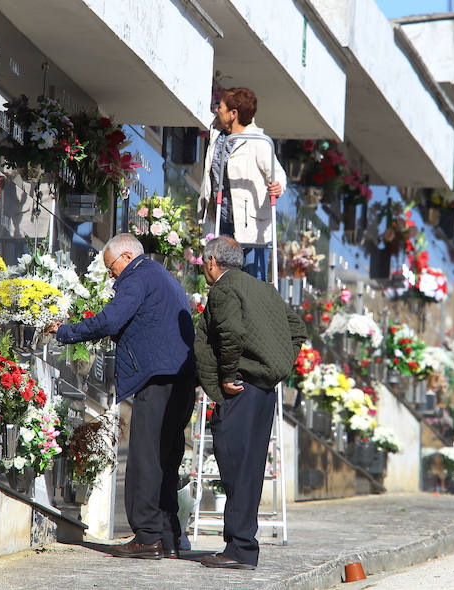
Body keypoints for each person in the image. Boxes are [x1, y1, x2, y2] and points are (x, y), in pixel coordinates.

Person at [47, 233, 195, 560]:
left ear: (126, 257)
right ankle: (169, 537)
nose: (111, 274)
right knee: (166, 458)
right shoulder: (162, 277)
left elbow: (112, 318)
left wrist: (65, 331)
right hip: (181, 380)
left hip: (158, 381)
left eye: (111, 267)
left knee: (144, 459)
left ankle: (147, 537)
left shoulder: (137, 276)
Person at [193, 237, 306, 569]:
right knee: (249, 469)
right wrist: (280, 363)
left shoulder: (224, 289)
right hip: (263, 392)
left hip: (241, 388)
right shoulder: (264, 289)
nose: (204, 269)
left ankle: (240, 547)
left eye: (204, 263)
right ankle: (242, 546)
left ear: (213, 261)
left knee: (236, 466)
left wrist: (228, 375)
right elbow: (297, 329)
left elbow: (230, 332)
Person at [197, 87, 288, 282]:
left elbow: (278, 173)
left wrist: (278, 186)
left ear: (233, 114)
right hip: (223, 223)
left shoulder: (258, 141)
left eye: (219, 106)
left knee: (251, 283)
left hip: (250, 228)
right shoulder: (217, 133)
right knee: (224, 281)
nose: (216, 110)